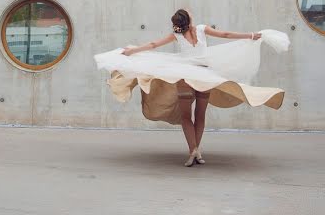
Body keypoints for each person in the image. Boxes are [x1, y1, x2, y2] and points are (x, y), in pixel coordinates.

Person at [95, 9, 289, 167]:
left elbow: (154, 45)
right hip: (204, 76)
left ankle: (192, 151)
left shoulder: (177, 35)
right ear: (190, 19)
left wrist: (131, 51)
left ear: (178, 23)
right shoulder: (203, 29)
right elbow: (226, 35)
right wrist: (252, 35)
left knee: (186, 116)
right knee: (201, 114)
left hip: (186, 77)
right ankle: (197, 151)